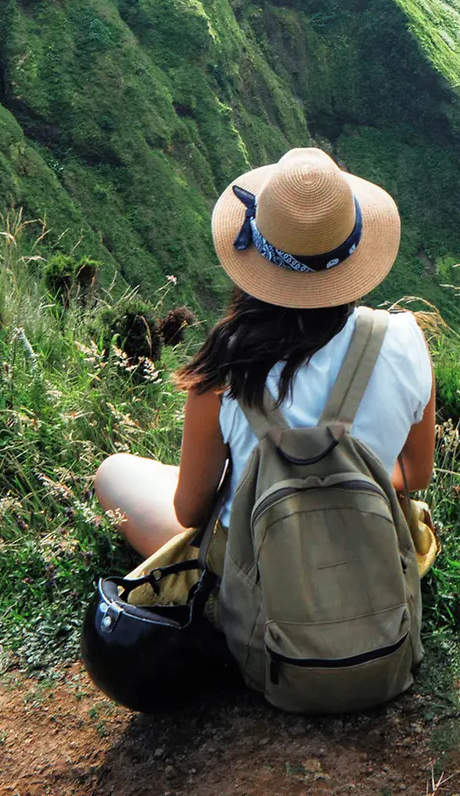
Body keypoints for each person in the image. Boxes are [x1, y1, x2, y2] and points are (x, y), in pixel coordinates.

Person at [94, 146, 436, 617]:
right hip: (370, 579)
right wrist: (339, 481)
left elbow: (190, 513)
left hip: (261, 599)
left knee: (114, 473)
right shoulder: (404, 338)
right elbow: (416, 473)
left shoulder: (225, 371)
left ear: (256, 250)